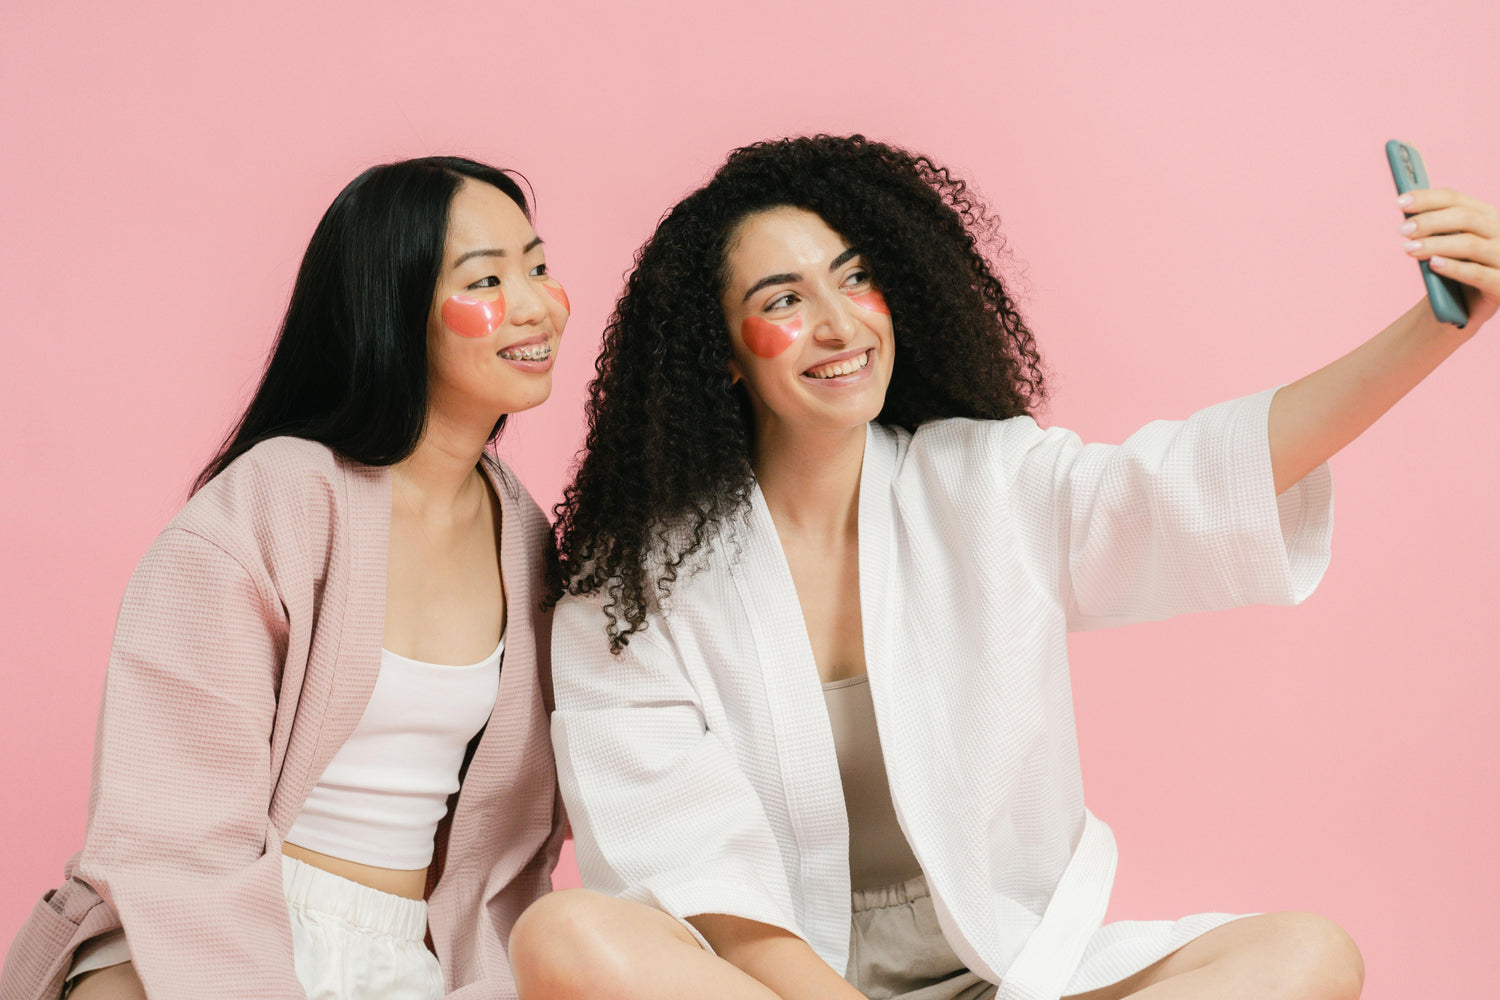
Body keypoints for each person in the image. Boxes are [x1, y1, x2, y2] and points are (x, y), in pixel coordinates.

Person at [514, 135, 1496, 1000]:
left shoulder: (984, 482)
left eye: (855, 278)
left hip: (1005, 965)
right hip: (769, 984)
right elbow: (708, 895)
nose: (840, 324)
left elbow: (1195, 479)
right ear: (720, 352)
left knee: (1307, 955)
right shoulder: (629, 591)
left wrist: (1439, 327)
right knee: (565, 937)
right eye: (783, 300)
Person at [1, 156, 569, 1000]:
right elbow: (173, 833)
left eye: (538, 266)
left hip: (414, 959)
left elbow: (519, 842)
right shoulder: (276, 501)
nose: (535, 305)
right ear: (394, 307)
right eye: (486, 279)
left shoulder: (525, 538)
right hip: (217, 932)